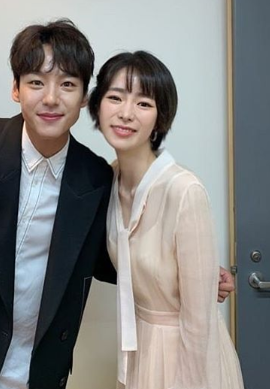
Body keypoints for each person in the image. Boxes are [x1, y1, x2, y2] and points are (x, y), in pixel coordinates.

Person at [0, 20, 234, 389]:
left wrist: (192, 272)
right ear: (16, 89)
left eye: (67, 84)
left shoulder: (94, 178)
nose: (50, 98)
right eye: (36, 82)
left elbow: (110, 259)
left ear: (84, 97)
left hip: (31, 373)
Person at [88, 51, 244, 389]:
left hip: (186, 358)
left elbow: (200, 325)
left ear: (160, 119)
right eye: (115, 97)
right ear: (97, 105)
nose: (126, 113)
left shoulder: (184, 191)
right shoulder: (108, 180)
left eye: (144, 103)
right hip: (139, 351)